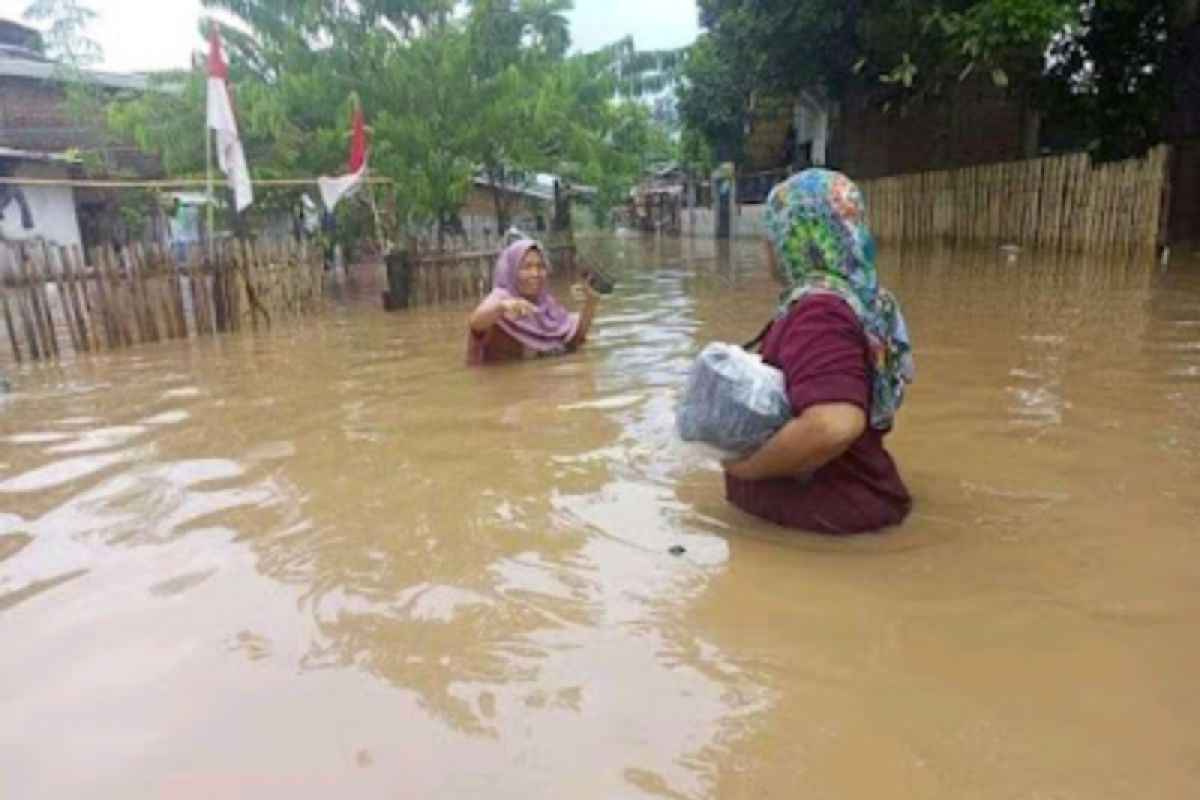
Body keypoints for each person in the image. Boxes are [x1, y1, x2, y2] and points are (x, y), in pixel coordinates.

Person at [722, 169, 914, 534]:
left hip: (831, 517)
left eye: (774, 232)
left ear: (801, 236)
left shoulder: (820, 310)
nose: (767, 246)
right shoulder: (862, 298)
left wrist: (747, 467)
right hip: (857, 502)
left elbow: (833, 424)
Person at [467, 238, 599, 365]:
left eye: (540, 267)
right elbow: (476, 323)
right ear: (511, 270)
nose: (535, 273)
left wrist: (591, 301)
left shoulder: (547, 304)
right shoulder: (501, 297)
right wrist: (502, 307)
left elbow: (574, 338)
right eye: (526, 267)